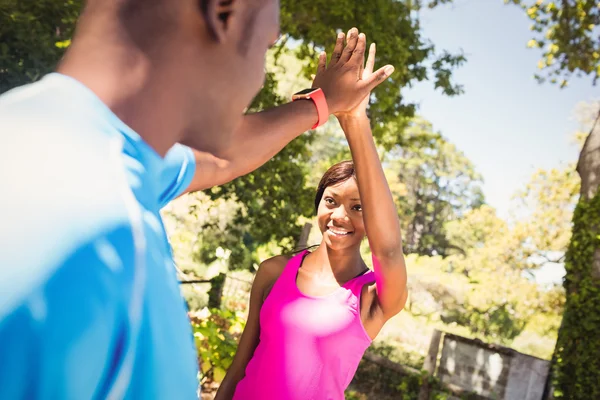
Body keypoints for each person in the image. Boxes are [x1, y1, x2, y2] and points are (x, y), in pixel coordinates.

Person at [0, 0, 396, 396]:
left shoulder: (71, 147)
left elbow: (225, 158)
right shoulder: (98, 241)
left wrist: (324, 104)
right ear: (225, 12)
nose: (259, 76)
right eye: (266, 46)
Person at [215, 43, 408, 400]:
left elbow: (390, 250)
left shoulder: (372, 296)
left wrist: (354, 119)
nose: (340, 215)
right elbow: (240, 366)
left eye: (358, 207)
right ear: (318, 202)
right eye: (331, 201)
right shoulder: (273, 271)